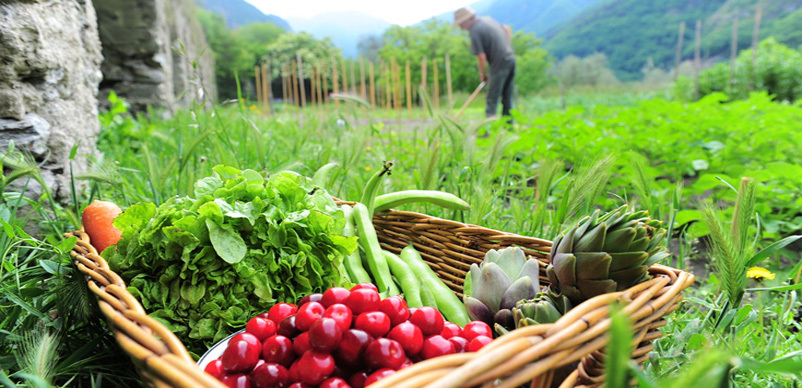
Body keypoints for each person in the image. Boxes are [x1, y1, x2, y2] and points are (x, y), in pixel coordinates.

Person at [454, 7, 516, 120]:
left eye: (461, 24)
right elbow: (507, 29)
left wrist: (483, 75)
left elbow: (481, 56)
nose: (461, 27)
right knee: (507, 96)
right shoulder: (488, 20)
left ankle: (488, 128)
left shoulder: (475, 30)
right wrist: (507, 46)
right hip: (511, 58)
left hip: (498, 62)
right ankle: (508, 127)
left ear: (467, 20)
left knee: (492, 98)